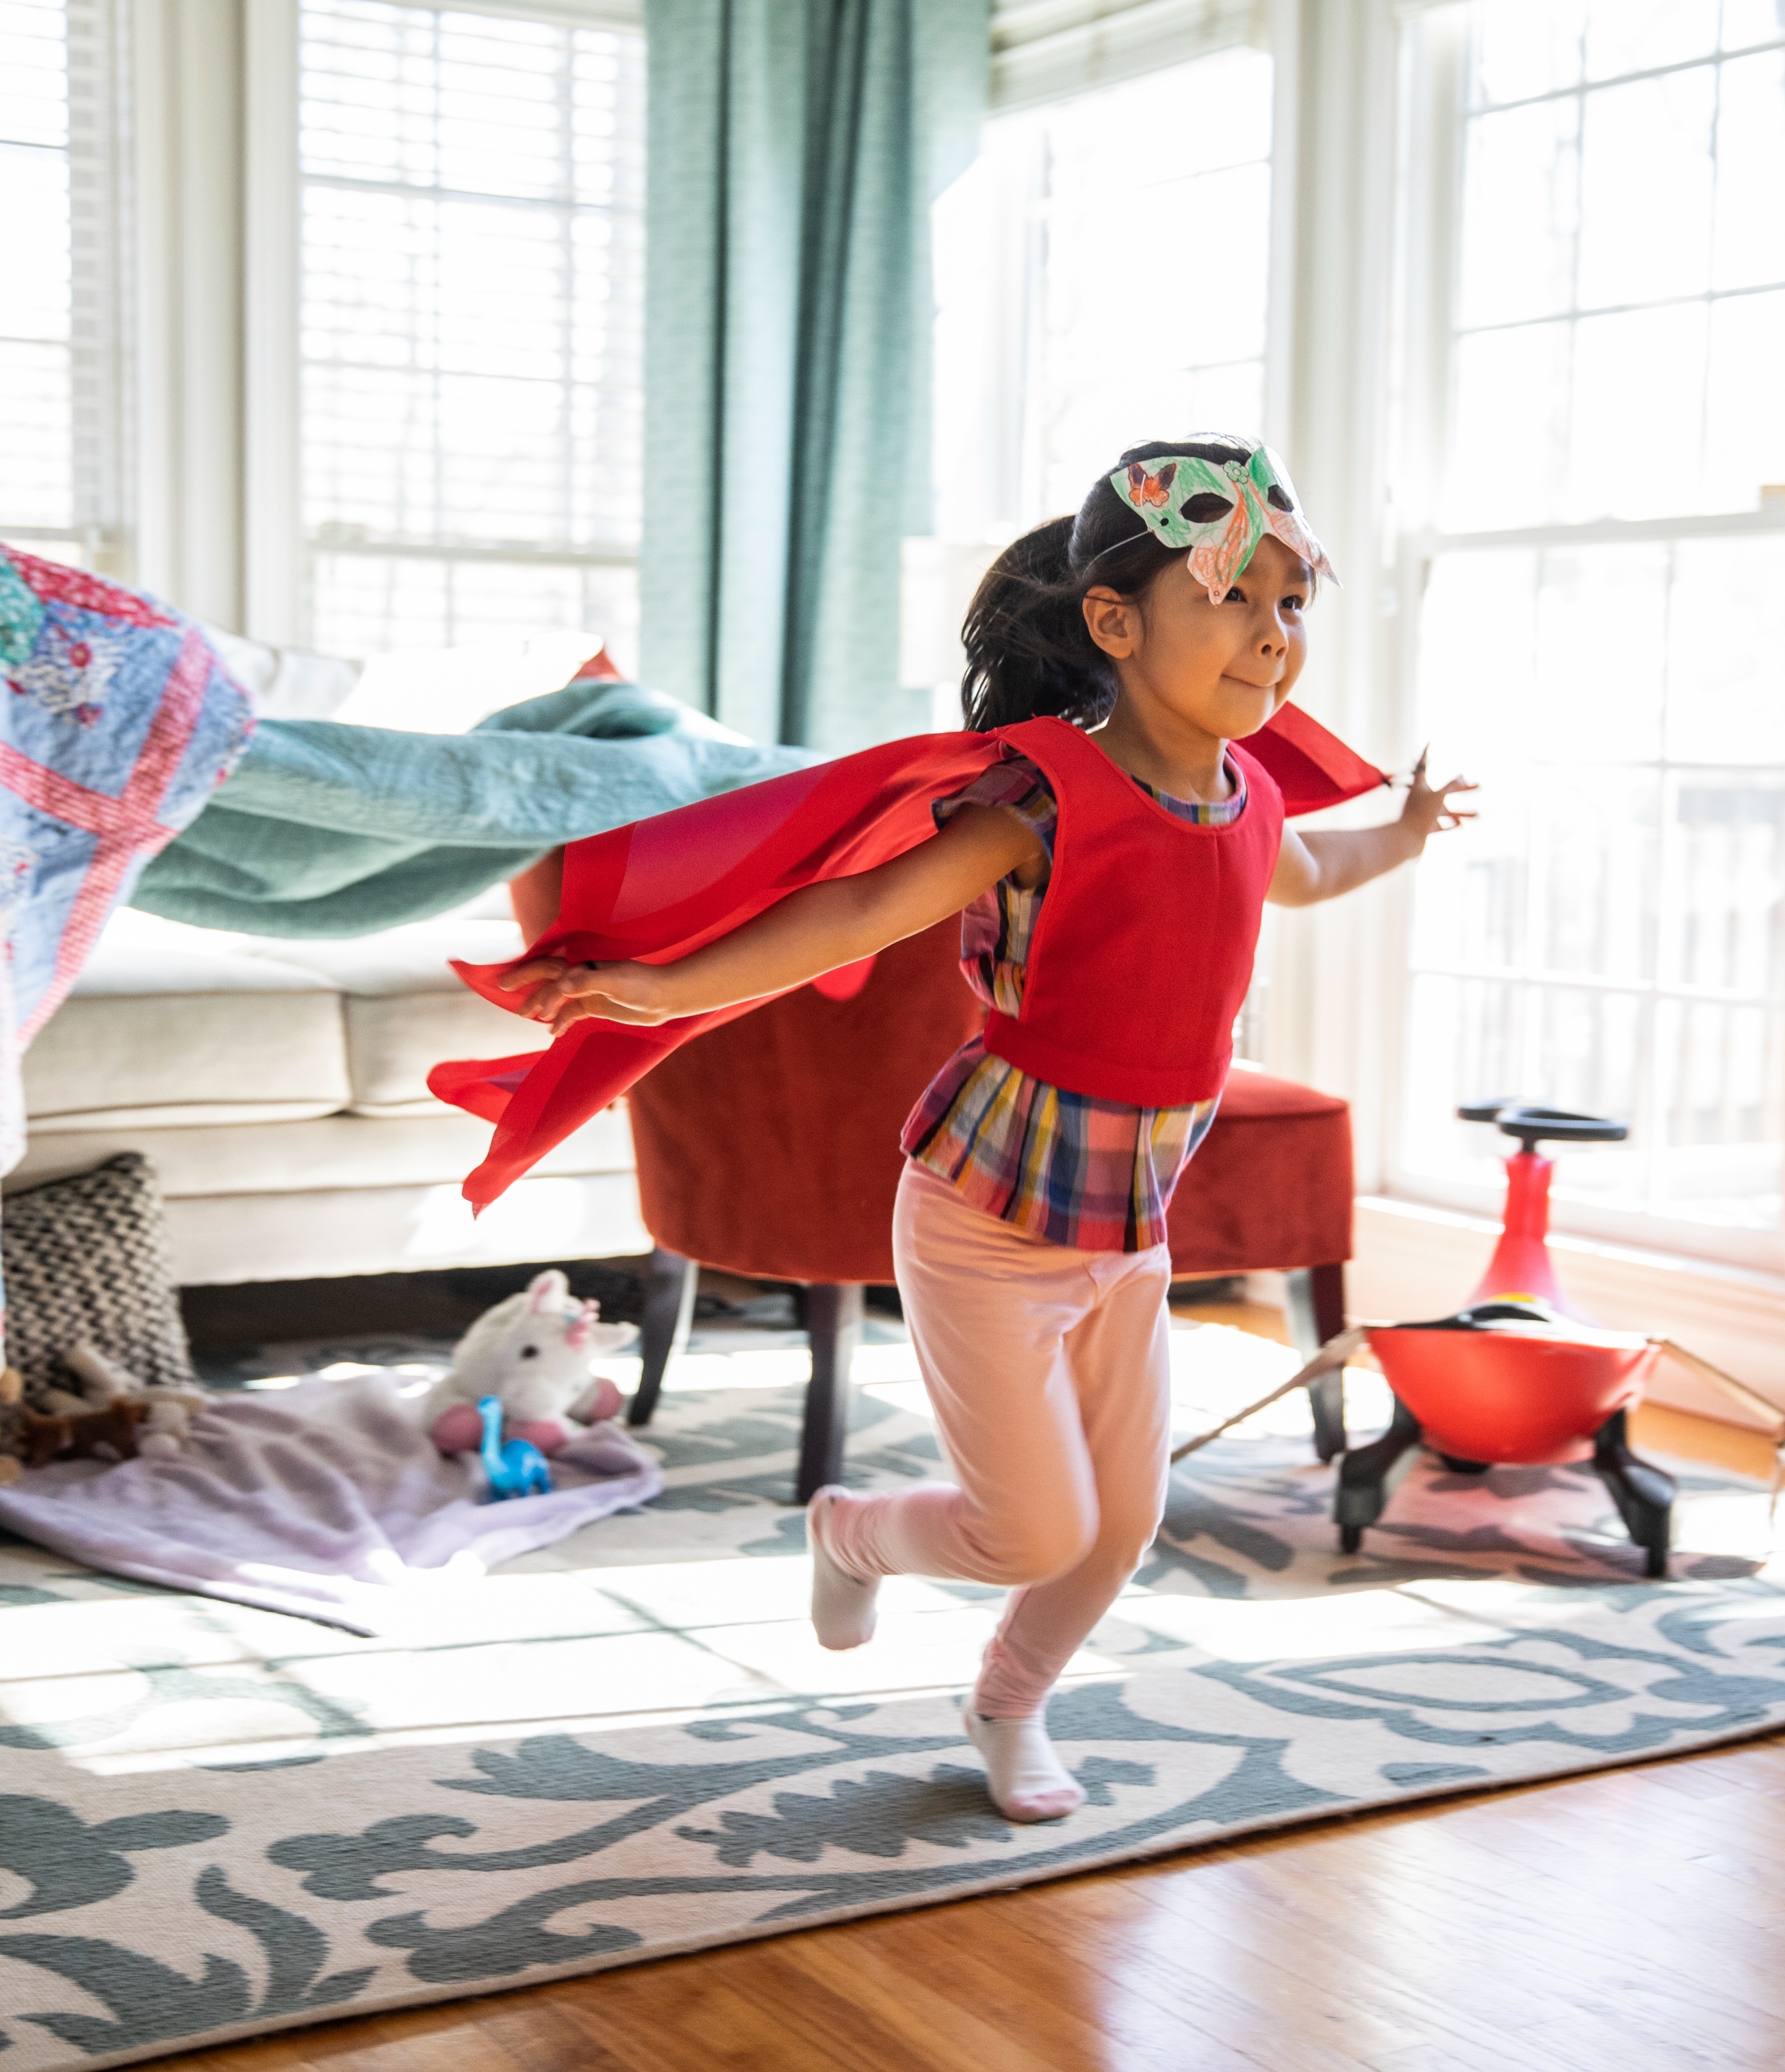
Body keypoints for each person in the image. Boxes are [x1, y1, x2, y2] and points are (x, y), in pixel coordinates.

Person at [487, 438, 1475, 1821]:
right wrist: (652, 986)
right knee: (1033, 1522)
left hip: (1125, 1236)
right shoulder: (1045, 799)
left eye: (1292, 600)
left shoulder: (1250, 797)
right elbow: (844, 918)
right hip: (984, 1221)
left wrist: (1410, 833)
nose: (1273, 633)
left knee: (1119, 1524)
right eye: (1233, 594)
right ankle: (854, 1529)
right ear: (1117, 623)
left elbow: (1314, 866)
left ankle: (1009, 1698)